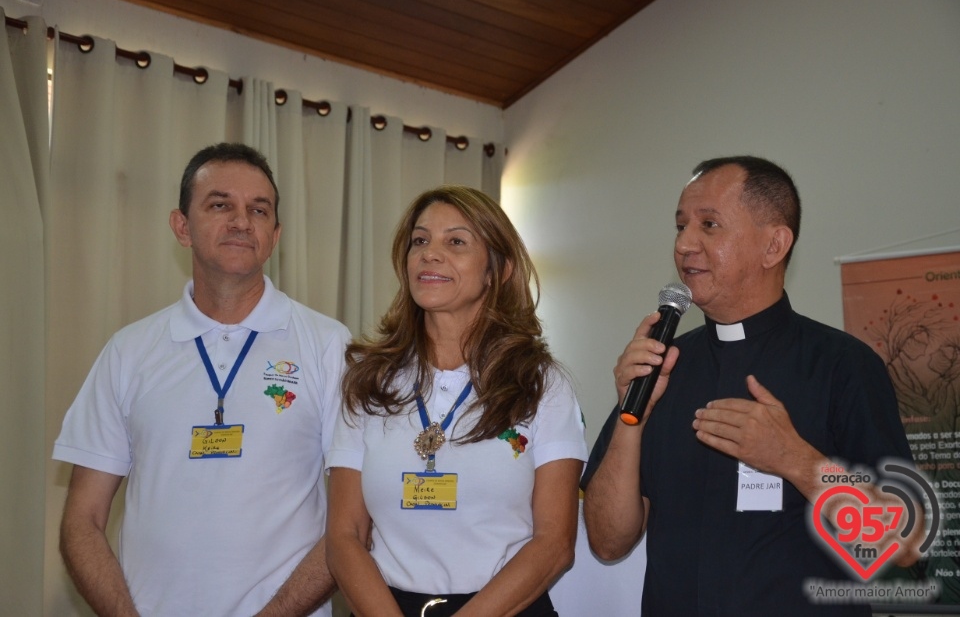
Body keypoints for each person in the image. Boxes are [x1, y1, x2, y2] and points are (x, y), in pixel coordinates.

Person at [581, 156, 918, 616]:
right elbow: (607, 542)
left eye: (710, 225)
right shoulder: (663, 366)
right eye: (680, 226)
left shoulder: (844, 365)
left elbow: (900, 544)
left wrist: (796, 461)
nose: (684, 245)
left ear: (773, 245)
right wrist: (630, 417)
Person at [54, 143, 350, 616]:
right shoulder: (128, 351)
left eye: (258, 209)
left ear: (274, 236)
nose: (241, 221)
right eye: (220, 204)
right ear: (181, 226)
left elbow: (352, 523)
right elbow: (82, 520)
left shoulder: (329, 346)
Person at [325, 185, 587, 616]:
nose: (430, 254)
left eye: (456, 242)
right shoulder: (369, 381)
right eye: (420, 241)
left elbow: (554, 542)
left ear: (496, 270)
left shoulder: (541, 383)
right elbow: (344, 535)